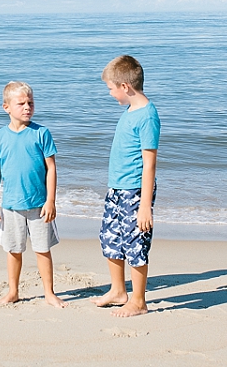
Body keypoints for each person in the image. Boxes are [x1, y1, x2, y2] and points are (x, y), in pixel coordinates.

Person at [0, 81, 66, 308]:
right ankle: (13, 291)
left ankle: (49, 293)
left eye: (30, 102)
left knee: (42, 249)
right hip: (11, 205)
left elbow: (51, 168)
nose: (27, 107)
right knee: (14, 249)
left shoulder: (41, 133)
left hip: (40, 205)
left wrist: (51, 200)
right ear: (6, 108)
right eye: (21, 103)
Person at [91, 55, 160, 317]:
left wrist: (145, 206)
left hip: (135, 191)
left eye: (110, 88)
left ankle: (139, 301)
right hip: (117, 188)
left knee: (135, 243)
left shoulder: (147, 116)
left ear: (125, 87)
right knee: (111, 238)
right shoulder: (130, 110)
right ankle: (119, 290)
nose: (110, 94)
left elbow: (149, 163)